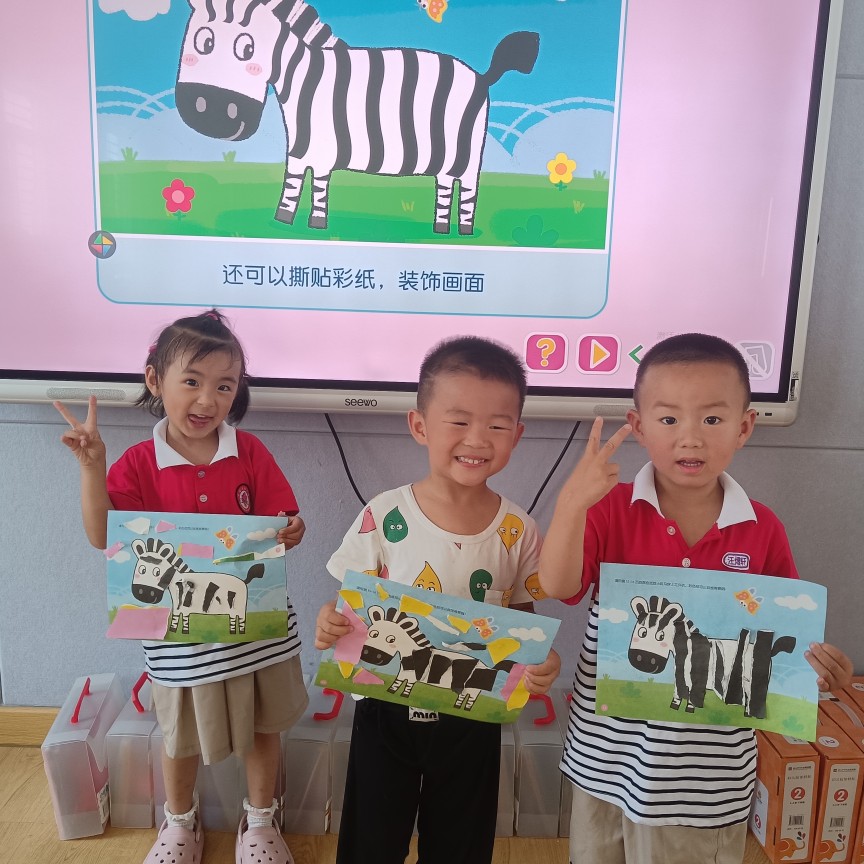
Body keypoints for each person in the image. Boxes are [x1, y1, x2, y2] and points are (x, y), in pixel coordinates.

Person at [539, 332, 853, 864]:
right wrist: (571, 503)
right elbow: (558, 586)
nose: (690, 438)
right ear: (638, 425)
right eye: (668, 419)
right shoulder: (608, 509)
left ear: (744, 427)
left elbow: (782, 643)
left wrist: (821, 670)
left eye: (711, 418)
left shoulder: (762, 528)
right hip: (606, 761)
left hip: (708, 778)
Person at [55, 310, 307, 864]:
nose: (207, 400)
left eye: (225, 386)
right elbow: (103, 537)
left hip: (256, 631)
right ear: (155, 380)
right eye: (191, 381)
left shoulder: (250, 451)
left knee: (265, 727)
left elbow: (283, 524)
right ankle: (179, 823)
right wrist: (93, 467)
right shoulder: (137, 463)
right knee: (179, 733)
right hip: (180, 637)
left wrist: (291, 529)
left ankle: (260, 822)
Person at [315, 335, 561, 864]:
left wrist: (539, 659)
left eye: (497, 425)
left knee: (461, 840)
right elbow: (347, 607)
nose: (477, 439)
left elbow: (522, 617)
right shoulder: (383, 514)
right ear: (420, 425)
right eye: (459, 420)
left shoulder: (518, 529)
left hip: (473, 711)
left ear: (517, 434)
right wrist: (329, 623)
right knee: (372, 837)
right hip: (385, 706)